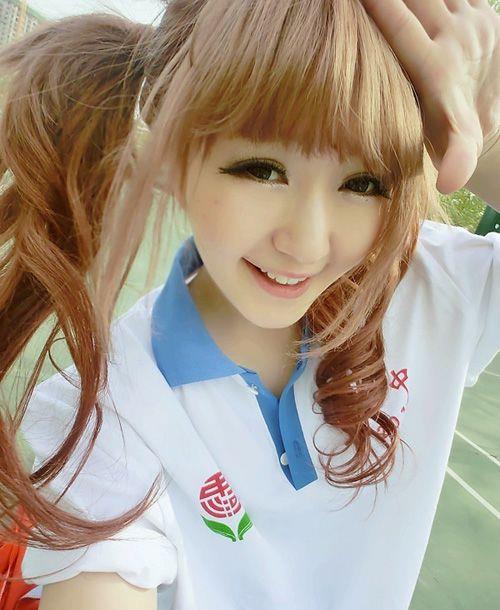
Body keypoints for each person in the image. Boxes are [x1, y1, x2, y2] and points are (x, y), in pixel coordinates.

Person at [0, 0, 498, 609]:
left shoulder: (432, 288)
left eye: (363, 183)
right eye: (262, 170)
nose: (307, 244)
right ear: (169, 156)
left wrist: (487, 132)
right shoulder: (113, 407)